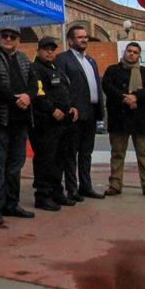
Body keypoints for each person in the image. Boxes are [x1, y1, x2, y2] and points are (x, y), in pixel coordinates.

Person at [0, 26, 35, 225]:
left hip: (21, 120)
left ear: (18, 40)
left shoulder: (23, 58)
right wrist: (16, 99)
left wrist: (28, 96)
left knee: (15, 164)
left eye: (13, 36)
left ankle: (11, 203)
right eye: (5, 35)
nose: (9, 39)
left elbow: (33, 80)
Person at [101, 42, 145, 198]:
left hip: (140, 119)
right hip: (119, 119)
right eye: (129, 51)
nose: (131, 54)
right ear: (124, 52)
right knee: (117, 154)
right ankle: (115, 185)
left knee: (144, 154)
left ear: (139, 55)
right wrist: (124, 98)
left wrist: (136, 97)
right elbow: (108, 87)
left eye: (135, 52)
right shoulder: (112, 70)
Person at [54, 25, 104, 201]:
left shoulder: (91, 61)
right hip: (74, 114)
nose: (84, 40)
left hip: (90, 113)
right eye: (80, 37)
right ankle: (72, 189)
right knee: (70, 153)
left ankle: (86, 186)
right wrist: (68, 106)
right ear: (70, 41)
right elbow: (61, 86)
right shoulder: (63, 59)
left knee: (86, 153)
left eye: (85, 37)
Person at [28, 37, 78, 211]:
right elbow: (38, 93)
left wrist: (71, 106)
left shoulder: (56, 69)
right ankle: (42, 195)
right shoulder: (34, 69)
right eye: (45, 49)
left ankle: (57, 192)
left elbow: (65, 90)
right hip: (45, 123)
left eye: (52, 49)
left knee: (60, 159)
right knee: (45, 160)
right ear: (38, 50)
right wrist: (51, 110)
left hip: (62, 123)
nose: (49, 52)